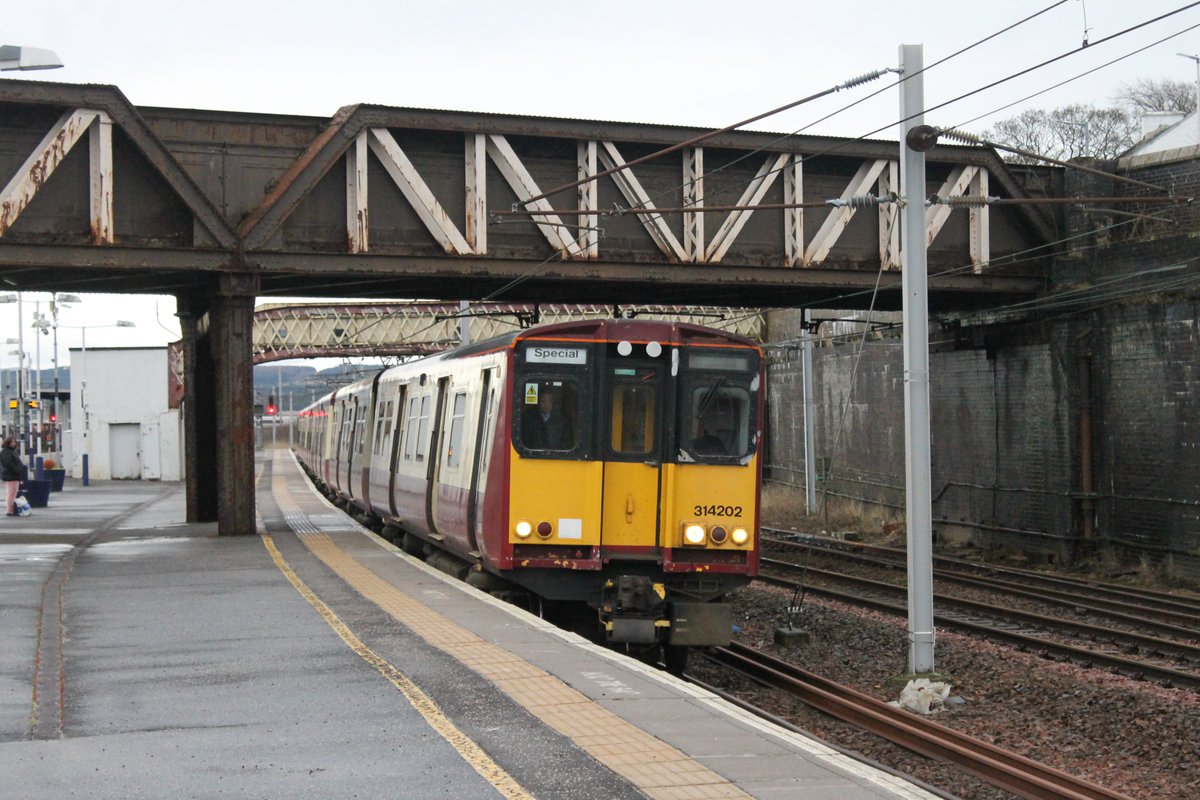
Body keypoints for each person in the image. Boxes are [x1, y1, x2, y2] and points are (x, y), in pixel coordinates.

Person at [1, 438, 24, 516]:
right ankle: (10, 510)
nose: (14, 443)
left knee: (12, 492)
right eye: (12, 442)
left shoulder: (10, 451)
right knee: (12, 493)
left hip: (13, 474)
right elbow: (7, 463)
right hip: (11, 475)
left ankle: (11, 509)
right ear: (8, 443)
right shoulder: (6, 452)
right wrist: (16, 469)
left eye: (14, 442)